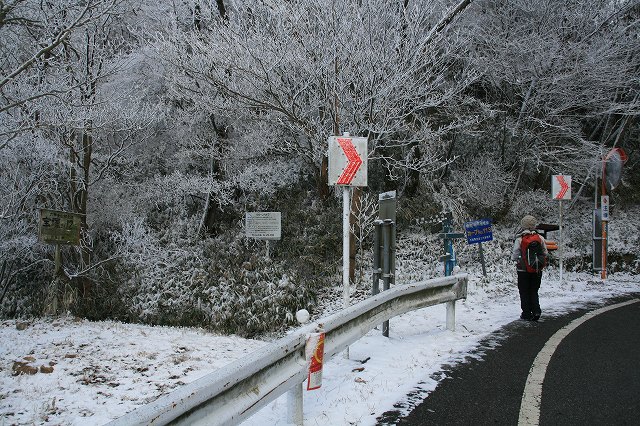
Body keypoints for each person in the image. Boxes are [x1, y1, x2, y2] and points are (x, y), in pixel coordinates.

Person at [511, 215, 548, 321]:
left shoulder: (520, 239)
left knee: (524, 291)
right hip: (536, 269)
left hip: (523, 270)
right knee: (534, 290)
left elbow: (514, 255)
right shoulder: (540, 238)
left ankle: (526, 313)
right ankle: (536, 311)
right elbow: (545, 252)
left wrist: (517, 259)